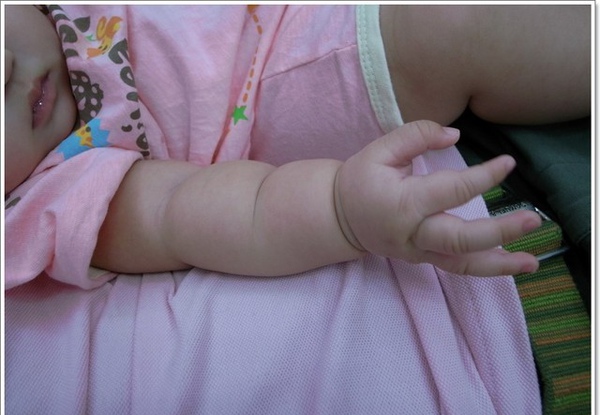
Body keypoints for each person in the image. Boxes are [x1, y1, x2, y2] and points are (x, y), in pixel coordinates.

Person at [4, 4, 591, 289]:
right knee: (452, 28)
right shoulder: (54, 191)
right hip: (301, 69)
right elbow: (188, 209)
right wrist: (340, 208)